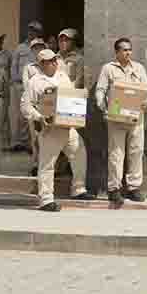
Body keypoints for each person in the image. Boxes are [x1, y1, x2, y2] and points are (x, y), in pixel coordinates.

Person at [21, 48, 95, 212]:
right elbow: (25, 107)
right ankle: (46, 200)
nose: (54, 63)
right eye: (50, 61)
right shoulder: (35, 82)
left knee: (79, 153)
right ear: (42, 64)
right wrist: (39, 117)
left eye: (55, 59)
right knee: (47, 164)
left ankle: (78, 189)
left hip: (67, 126)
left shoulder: (63, 76)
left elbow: (70, 96)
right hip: (49, 128)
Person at [95, 38, 147, 206]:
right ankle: (114, 189)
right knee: (116, 153)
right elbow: (100, 90)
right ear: (117, 52)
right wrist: (103, 107)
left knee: (136, 151)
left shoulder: (139, 68)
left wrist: (145, 102)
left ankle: (134, 188)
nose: (128, 53)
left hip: (136, 117)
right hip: (116, 117)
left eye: (129, 49)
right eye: (124, 50)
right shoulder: (108, 69)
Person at [10, 20, 44, 153]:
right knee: (19, 115)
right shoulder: (20, 48)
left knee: (34, 115)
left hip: (37, 87)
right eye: (30, 30)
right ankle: (19, 142)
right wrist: (15, 82)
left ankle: (32, 143)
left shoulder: (43, 46)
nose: (31, 32)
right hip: (20, 85)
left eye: (34, 31)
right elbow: (14, 65)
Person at [21, 38, 49, 175]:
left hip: (49, 105)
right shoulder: (28, 67)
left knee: (50, 137)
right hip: (35, 105)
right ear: (32, 50)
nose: (38, 50)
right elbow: (27, 86)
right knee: (35, 137)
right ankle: (36, 163)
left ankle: (48, 165)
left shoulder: (51, 64)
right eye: (35, 48)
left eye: (40, 47)